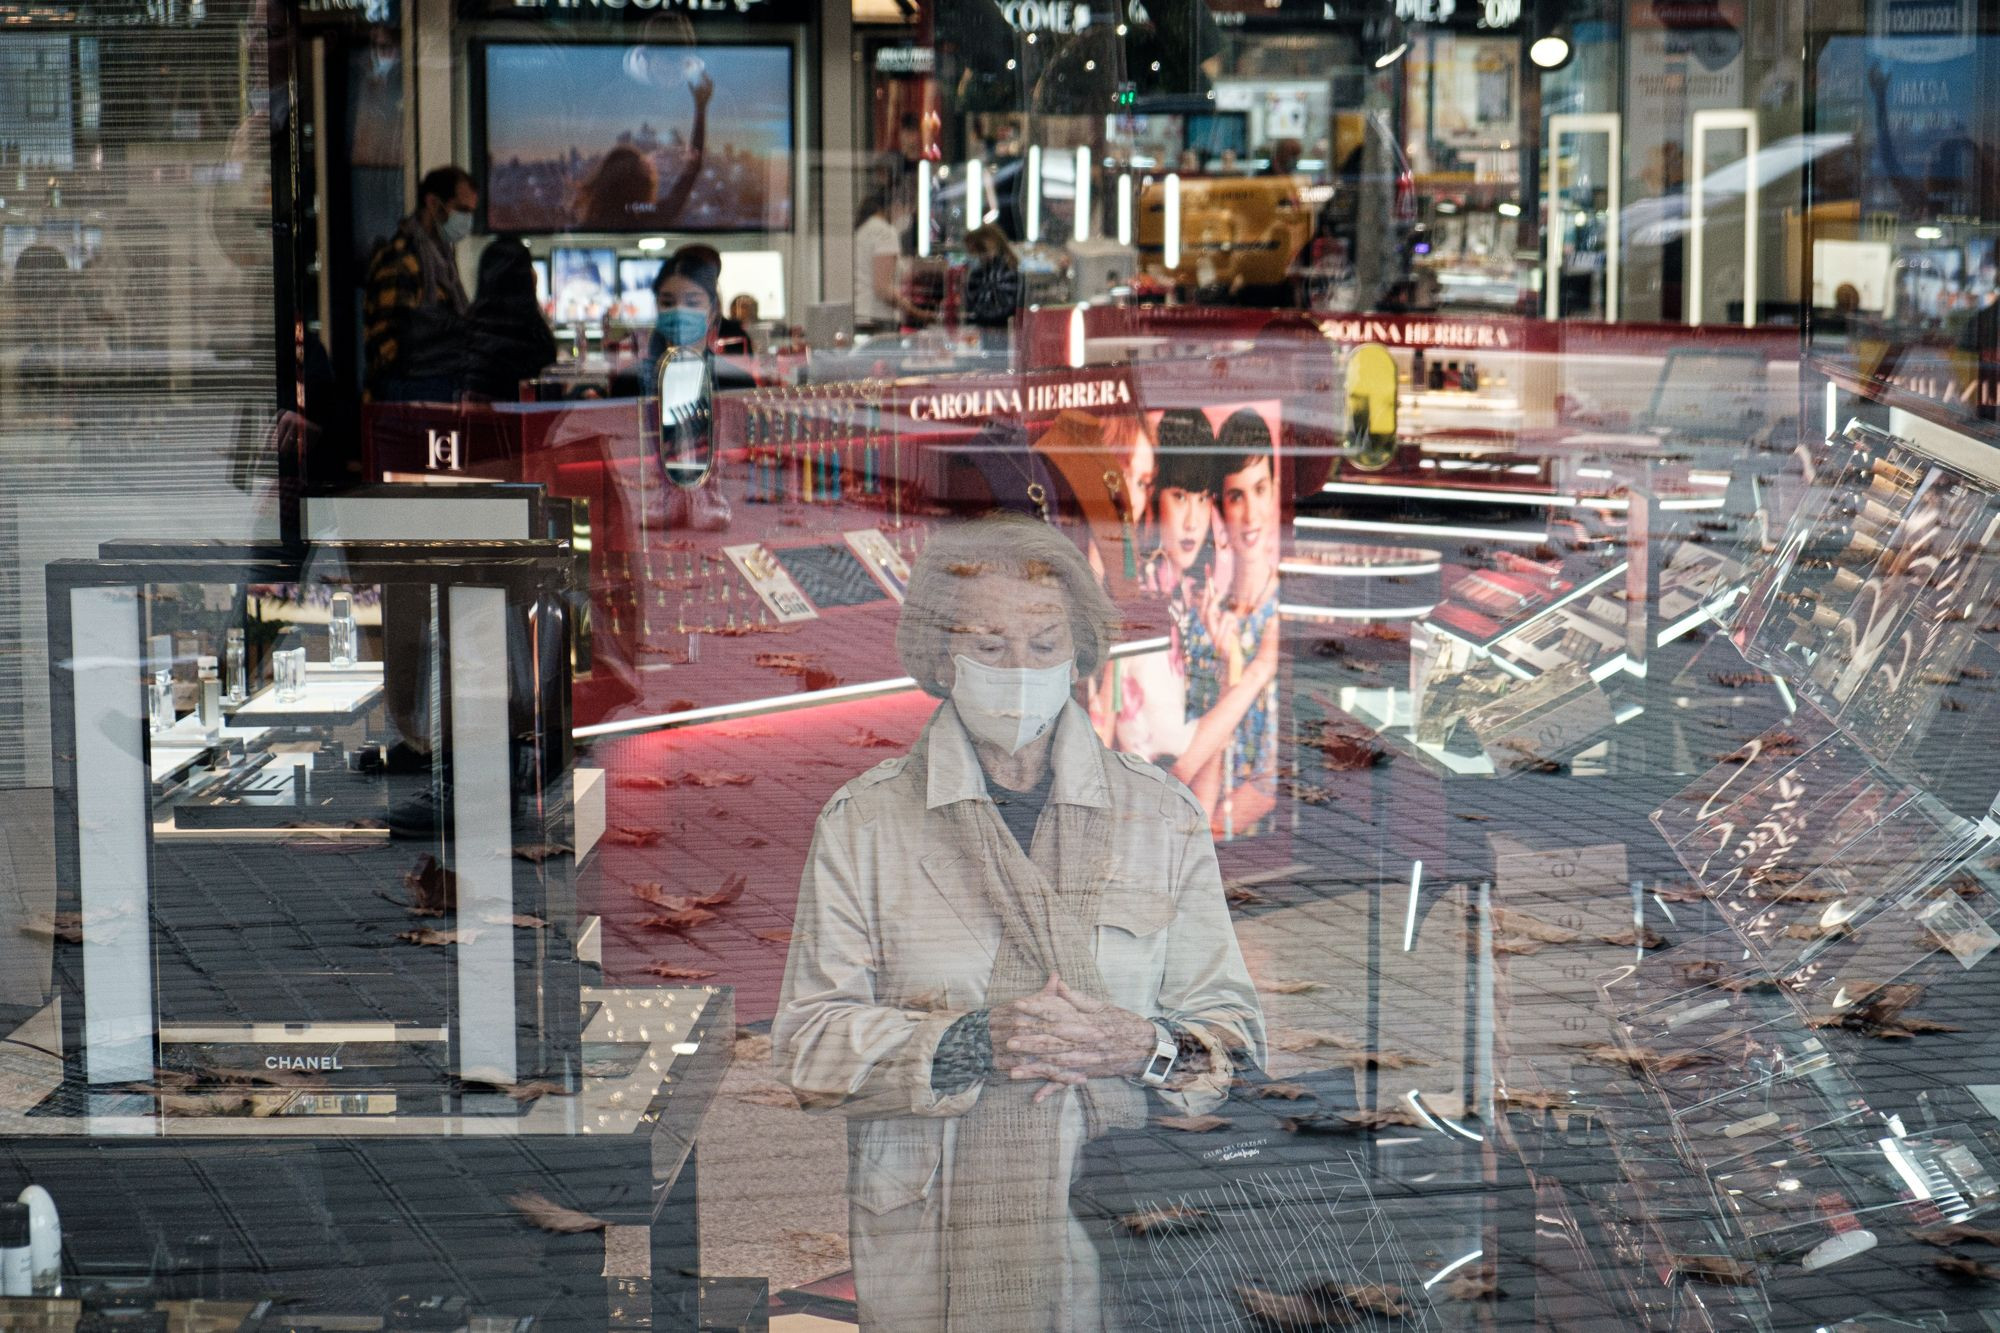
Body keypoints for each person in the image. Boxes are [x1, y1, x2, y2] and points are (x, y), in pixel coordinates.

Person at [775, 513, 1264, 1333]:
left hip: (1122, 1226)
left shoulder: (1159, 816)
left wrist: (1139, 1047)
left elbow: (1236, 1046)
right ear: (941, 655)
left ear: (1079, 654)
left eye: (1043, 645)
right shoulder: (867, 822)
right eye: (990, 647)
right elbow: (809, 1046)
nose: (1021, 670)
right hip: (936, 1234)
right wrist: (968, 1041)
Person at [1177, 410, 1282, 837]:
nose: (1251, 513)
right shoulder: (1200, 617)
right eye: (1237, 496)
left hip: (1249, 846)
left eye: (1261, 489)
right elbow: (1181, 758)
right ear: (1220, 506)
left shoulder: (1282, 619)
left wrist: (1212, 834)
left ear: (1275, 491)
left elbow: (1272, 784)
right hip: (1191, 829)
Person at [362, 164, 477, 402]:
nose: (466, 221)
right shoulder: (401, 260)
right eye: (461, 210)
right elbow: (386, 346)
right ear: (434, 204)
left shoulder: (441, 261)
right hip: (405, 400)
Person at [572, 63, 712, 230]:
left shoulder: (587, 229)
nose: (653, 165)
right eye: (648, 167)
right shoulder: (654, 219)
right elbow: (693, 166)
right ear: (644, 184)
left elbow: (692, 166)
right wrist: (701, 107)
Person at [459, 237, 557, 402]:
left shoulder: (465, 333)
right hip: (524, 427)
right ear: (526, 279)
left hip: (475, 426)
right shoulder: (536, 338)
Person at [854, 189, 921, 334]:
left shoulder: (864, 229)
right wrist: (916, 312)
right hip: (879, 319)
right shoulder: (884, 232)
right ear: (896, 205)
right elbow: (883, 288)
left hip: (861, 315)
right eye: (908, 210)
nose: (907, 216)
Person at [962, 223, 1022, 352]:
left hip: (999, 333)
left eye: (973, 252)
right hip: (993, 332)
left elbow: (985, 308)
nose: (971, 257)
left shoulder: (1001, 273)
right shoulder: (1003, 270)